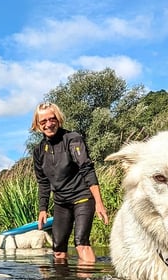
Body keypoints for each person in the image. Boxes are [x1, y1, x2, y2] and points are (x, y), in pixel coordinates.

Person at [31, 102, 109, 263]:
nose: (48, 124)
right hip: (61, 202)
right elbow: (43, 182)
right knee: (58, 249)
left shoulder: (72, 139)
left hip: (82, 197)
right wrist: (43, 209)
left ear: (58, 119)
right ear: (38, 125)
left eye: (52, 119)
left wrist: (99, 203)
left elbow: (87, 168)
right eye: (43, 121)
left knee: (81, 243)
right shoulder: (39, 150)